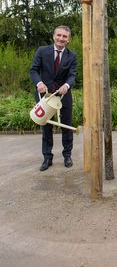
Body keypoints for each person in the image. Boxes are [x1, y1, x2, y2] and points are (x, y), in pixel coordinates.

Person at [30, 26, 77, 171]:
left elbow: (72, 75)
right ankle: (47, 158)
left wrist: (67, 86)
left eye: (64, 36)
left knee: (67, 126)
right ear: (53, 36)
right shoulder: (42, 51)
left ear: (68, 40)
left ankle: (67, 155)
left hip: (63, 96)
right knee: (46, 127)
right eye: (59, 35)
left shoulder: (72, 56)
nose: (61, 38)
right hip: (44, 96)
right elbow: (33, 70)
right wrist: (39, 83)